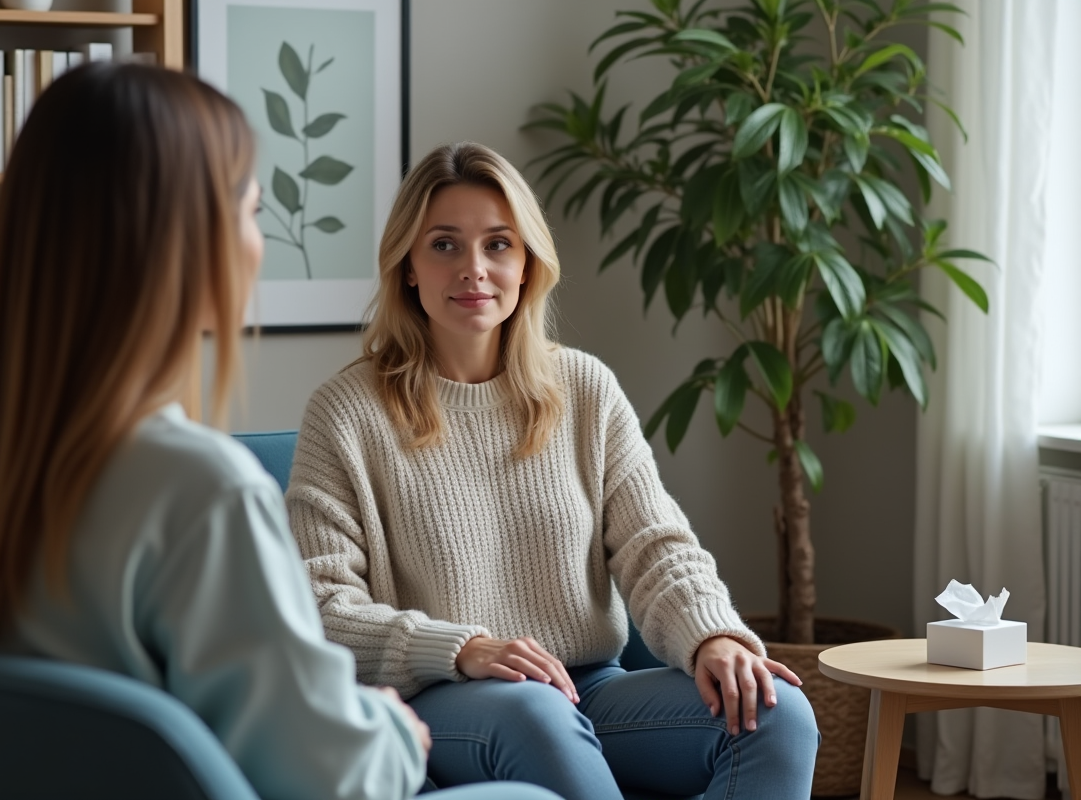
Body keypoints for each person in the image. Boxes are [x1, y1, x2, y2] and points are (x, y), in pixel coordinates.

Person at [0, 67, 557, 800]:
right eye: (251, 210)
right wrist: (391, 730)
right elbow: (330, 775)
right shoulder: (199, 490)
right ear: (185, 242)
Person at [286, 141, 821, 799]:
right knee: (535, 714)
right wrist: (459, 648)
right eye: (445, 245)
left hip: (588, 687)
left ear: (527, 265)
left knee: (775, 714)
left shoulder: (585, 388)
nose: (474, 269)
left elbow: (656, 547)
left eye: (498, 245)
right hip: (448, 698)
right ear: (408, 269)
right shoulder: (345, 412)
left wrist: (712, 635)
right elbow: (319, 606)